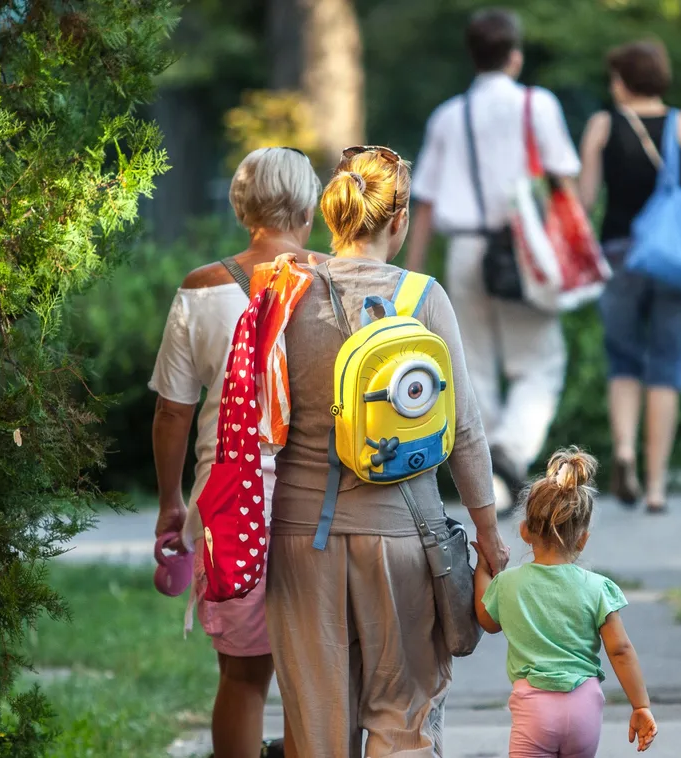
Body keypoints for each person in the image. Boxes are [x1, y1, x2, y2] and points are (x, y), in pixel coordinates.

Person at [266, 145, 509, 757]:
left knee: (318, 733)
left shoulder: (285, 297)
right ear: (398, 221)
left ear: (333, 215)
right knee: (403, 722)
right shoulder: (424, 297)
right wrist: (489, 536)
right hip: (403, 539)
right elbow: (467, 432)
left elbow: (252, 419)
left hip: (300, 545)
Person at [148, 146, 322, 758]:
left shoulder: (200, 290)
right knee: (313, 680)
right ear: (310, 205)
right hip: (321, 503)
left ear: (241, 205)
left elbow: (173, 411)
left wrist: (172, 504)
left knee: (243, 678)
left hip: (229, 505)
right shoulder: (333, 282)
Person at [407, 8, 582, 512]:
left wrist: (413, 276)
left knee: (474, 366)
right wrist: (572, 256)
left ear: (472, 57)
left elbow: (427, 203)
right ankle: (511, 450)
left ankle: (495, 485)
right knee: (541, 362)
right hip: (525, 250)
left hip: (465, 249)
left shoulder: (447, 115)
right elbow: (563, 182)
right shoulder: (537, 105)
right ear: (515, 55)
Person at [577, 39, 681, 514]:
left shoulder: (602, 125)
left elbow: (584, 200)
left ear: (622, 79)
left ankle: (623, 452)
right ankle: (656, 486)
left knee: (624, 362)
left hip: (619, 255)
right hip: (673, 260)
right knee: (666, 365)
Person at [473, 448, 658, 757]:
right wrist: (641, 705)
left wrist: (484, 571)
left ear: (524, 531)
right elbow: (620, 649)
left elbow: (486, 620)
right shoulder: (598, 588)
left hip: (535, 708)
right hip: (584, 706)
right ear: (583, 538)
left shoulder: (508, 584)